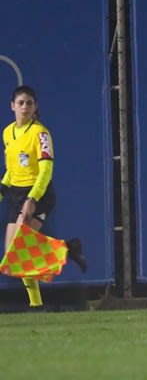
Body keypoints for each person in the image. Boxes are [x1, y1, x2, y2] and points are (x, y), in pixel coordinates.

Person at [1, 85, 87, 310]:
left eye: (29, 103)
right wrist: (3, 187)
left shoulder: (40, 133)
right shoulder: (7, 132)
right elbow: (12, 168)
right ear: (12, 106)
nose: (25, 107)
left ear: (35, 106)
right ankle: (67, 249)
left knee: (19, 251)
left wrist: (32, 198)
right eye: (20, 103)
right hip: (16, 194)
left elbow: (46, 171)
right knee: (12, 256)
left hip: (39, 193)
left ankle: (36, 304)